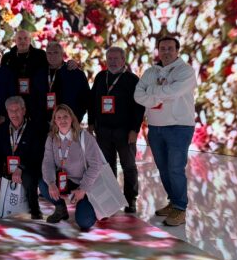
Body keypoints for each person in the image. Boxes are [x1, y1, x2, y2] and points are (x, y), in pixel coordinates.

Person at [134, 36, 197, 227]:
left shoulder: (185, 70)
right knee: (163, 167)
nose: (166, 51)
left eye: (170, 48)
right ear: (158, 51)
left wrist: (151, 91)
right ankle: (173, 202)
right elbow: (138, 95)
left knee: (175, 168)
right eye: (163, 48)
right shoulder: (150, 72)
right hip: (155, 127)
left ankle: (180, 208)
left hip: (179, 127)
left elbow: (175, 92)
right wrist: (160, 94)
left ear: (177, 50)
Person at [88, 47, 145, 213]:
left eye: (115, 58)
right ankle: (111, 199)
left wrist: (134, 129)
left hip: (124, 132)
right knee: (106, 167)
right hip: (103, 131)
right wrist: (91, 123)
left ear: (123, 60)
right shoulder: (101, 77)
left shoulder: (132, 79)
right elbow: (92, 101)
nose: (112, 61)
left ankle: (130, 200)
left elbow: (139, 107)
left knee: (129, 166)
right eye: (109, 58)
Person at [40, 105, 104, 230]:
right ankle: (61, 208)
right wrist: (51, 183)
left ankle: (90, 207)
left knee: (85, 222)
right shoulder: (51, 138)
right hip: (65, 181)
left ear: (72, 119)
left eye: (65, 116)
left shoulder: (84, 137)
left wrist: (83, 189)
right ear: (55, 121)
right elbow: (47, 163)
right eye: (59, 117)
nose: (62, 120)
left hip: (85, 184)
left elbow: (96, 165)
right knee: (43, 183)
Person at [0, 96, 43, 219]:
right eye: (11, 111)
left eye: (17, 110)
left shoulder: (34, 128)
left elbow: (36, 154)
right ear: (7, 112)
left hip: (27, 167)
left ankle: (34, 208)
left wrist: (21, 168)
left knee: (28, 178)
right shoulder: (2, 129)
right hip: (8, 169)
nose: (14, 114)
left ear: (24, 110)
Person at [30, 41, 90, 128]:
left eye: (56, 52)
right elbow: (33, 99)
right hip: (43, 125)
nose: (52, 55)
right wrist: (37, 119)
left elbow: (85, 99)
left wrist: (75, 119)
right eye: (49, 53)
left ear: (62, 54)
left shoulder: (75, 73)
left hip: (69, 125)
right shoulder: (39, 74)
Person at [1, 30, 48, 110]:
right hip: (14, 101)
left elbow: (52, 67)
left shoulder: (40, 55)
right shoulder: (7, 57)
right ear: (15, 40)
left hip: (36, 100)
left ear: (30, 40)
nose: (22, 41)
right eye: (19, 38)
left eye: (25, 38)